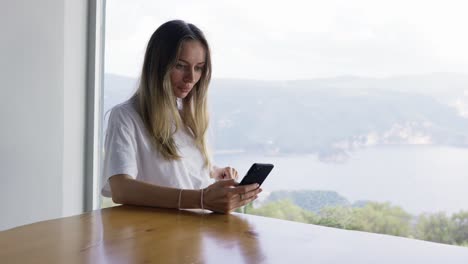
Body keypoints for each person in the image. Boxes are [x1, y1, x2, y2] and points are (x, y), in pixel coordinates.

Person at [101, 20, 261, 213]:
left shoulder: (189, 117)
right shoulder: (126, 117)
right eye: (180, 65)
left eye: (199, 67)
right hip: (160, 234)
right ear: (158, 65)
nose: (191, 78)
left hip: (198, 233)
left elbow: (178, 170)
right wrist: (202, 199)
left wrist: (214, 172)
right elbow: (121, 189)